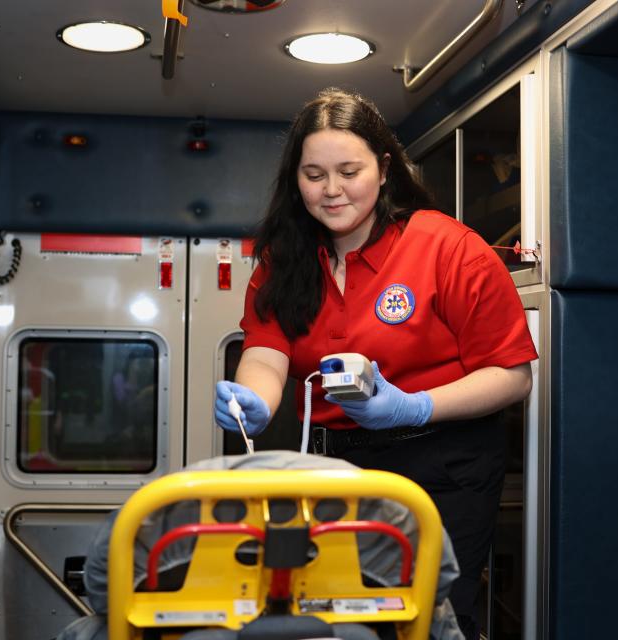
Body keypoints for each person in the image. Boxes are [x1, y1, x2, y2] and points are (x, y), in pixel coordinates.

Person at [213, 88, 537, 640]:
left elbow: (512, 374)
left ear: (384, 169)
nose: (332, 190)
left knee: (429, 617)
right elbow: (268, 351)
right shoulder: (283, 257)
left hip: (444, 465)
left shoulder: (448, 248)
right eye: (314, 174)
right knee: (343, 617)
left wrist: (414, 408)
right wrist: (256, 403)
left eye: (349, 170)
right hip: (340, 468)